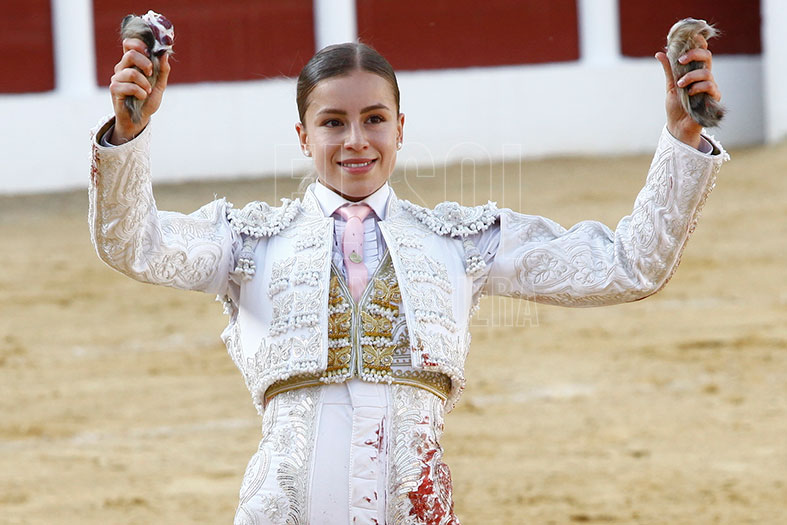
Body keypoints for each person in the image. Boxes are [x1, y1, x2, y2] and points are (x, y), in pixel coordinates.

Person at [89, 33, 727, 524]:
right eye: (332, 123)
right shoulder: (249, 240)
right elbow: (134, 245)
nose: (355, 141)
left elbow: (628, 265)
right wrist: (128, 136)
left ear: (401, 128)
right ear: (303, 136)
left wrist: (681, 135)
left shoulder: (460, 240)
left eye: (374, 119)